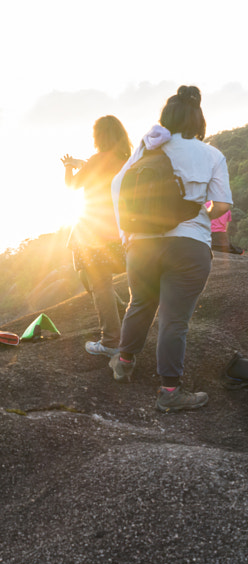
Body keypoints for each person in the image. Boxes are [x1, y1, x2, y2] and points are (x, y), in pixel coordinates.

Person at [106, 86, 232, 411]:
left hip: (142, 244)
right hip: (188, 246)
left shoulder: (148, 148)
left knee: (140, 304)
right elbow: (222, 204)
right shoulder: (211, 155)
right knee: (174, 320)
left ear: (167, 117)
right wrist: (198, 212)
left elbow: (117, 184)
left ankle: (124, 362)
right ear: (198, 119)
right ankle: (170, 393)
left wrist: (126, 232)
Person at [62, 116, 133, 356]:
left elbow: (72, 186)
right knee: (90, 277)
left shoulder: (96, 160)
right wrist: (81, 162)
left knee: (99, 283)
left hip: (94, 234)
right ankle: (120, 311)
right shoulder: (127, 161)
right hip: (121, 232)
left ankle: (111, 341)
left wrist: (69, 168)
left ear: (98, 136)